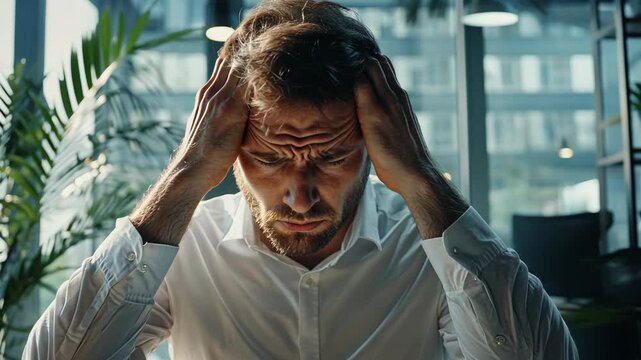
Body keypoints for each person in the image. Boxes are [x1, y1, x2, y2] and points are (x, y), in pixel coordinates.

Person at [23, 0, 578, 359]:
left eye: (331, 158)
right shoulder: (183, 250)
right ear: (230, 149)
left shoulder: (430, 253)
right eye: (268, 160)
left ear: (374, 144)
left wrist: (421, 177)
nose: (299, 196)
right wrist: (187, 173)